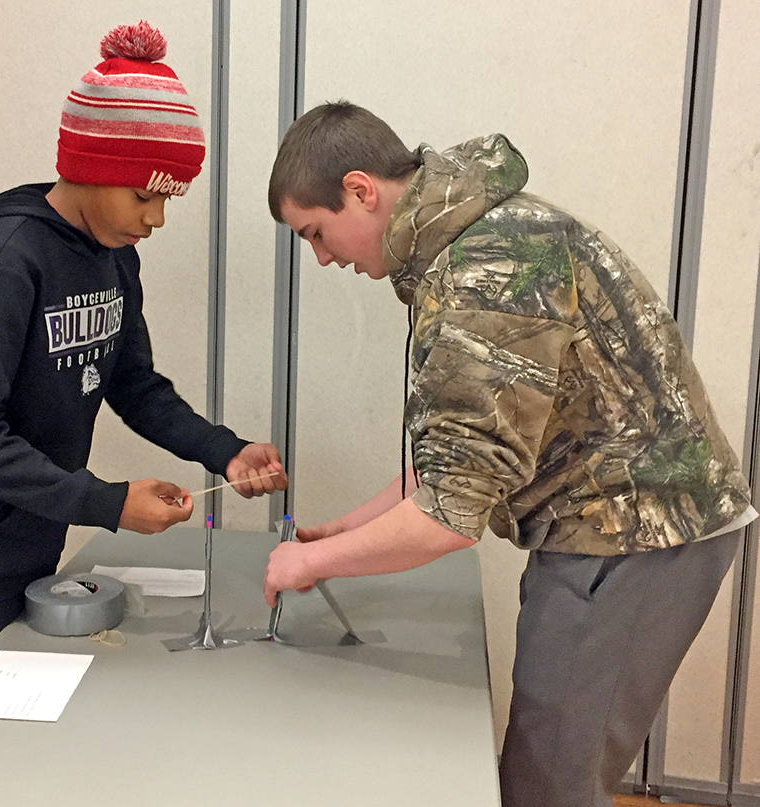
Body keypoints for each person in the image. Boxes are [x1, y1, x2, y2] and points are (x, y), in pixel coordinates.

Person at [262, 100, 755, 807]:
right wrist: (350, 528)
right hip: (620, 524)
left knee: (551, 785)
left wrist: (308, 561)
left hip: (636, 532)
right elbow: (463, 456)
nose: (323, 256)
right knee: (545, 766)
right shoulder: (477, 239)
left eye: (316, 232)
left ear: (360, 190)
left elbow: (449, 516)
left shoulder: (483, 272)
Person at [0, 21, 286, 719]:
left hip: (37, 527)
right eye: (145, 195)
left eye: (167, 198)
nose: (157, 218)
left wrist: (223, 452)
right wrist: (106, 503)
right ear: (89, 166)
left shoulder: (113, 258)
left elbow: (133, 383)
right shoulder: (5, 262)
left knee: (13, 722)